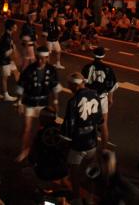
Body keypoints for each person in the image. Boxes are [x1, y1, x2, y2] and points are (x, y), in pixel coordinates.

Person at [61, 72, 103, 205]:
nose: (68, 87)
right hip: (92, 140)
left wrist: (65, 141)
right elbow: (100, 119)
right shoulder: (95, 95)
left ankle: (77, 198)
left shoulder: (73, 101)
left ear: (75, 85)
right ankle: (90, 198)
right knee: (90, 172)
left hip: (78, 142)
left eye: (69, 85)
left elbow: (70, 124)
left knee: (74, 172)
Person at [16, 46, 62, 162]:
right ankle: (24, 150)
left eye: (44, 58)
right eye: (39, 58)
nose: (41, 61)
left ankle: (39, 151)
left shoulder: (51, 70)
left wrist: (55, 102)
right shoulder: (29, 69)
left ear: (47, 57)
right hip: (30, 102)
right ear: (36, 57)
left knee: (42, 129)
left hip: (43, 103)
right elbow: (21, 85)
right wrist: (19, 103)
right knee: (27, 128)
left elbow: (54, 87)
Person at [82, 46, 118, 148]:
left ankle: (87, 144)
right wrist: (110, 98)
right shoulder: (108, 69)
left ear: (93, 55)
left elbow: (82, 83)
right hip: (101, 98)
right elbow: (111, 86)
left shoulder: (87, 67)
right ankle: (104, 148)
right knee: (103, 124)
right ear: (104, 56)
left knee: (87, 121)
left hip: (88, 97)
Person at [28, 106, 69, 182]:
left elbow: (32, 157)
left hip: (45, 174)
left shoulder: (41, 134)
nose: (39, 119)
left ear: (45, 119)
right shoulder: (62, 129)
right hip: (64, 171)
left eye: (41, 117)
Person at [0, 19, 19, 102]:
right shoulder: (6, 38)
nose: (16, 27)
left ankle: (22, 89)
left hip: (9, 60)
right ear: (11, 27)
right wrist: (13, 50)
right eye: (15, 25)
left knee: (16, 72)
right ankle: (6, 95)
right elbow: (4, 53)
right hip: (4, 60)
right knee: (4, 78)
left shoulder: (8, 35)